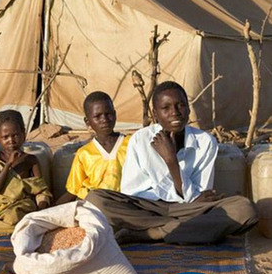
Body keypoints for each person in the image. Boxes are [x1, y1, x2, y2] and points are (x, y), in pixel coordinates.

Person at [85, 81, 257, 244]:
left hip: (188, 210)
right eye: (166, 108)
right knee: (95, 199)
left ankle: (152, 233)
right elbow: (132, 191)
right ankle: (185, 229)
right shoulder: (141, 139)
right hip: (147, 209)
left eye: (180, 105)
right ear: (155, 114)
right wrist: (180, 201)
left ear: (189, 109)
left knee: (244, 209)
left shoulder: (205, 142)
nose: (175, 112)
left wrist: (171, 161)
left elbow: (202, 197)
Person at [56, 91, 129, 205]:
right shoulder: (84, 153)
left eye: (108, 114)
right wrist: (53, 208)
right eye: (97, 116)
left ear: (115, 114)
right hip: (95, 203)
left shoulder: (131, 143)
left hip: (127, 201)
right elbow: (74, 189)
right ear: (87, 121)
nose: (104, 119)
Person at [0, 110, 52, 228]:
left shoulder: (30, 160)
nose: (11, 140)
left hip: (23, 206)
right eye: (5, 137)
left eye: (15, 135)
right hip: (0, 208)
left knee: (16, 216)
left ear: (23, 134)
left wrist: (41, 208)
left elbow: (41, 190)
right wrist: (8, 165)